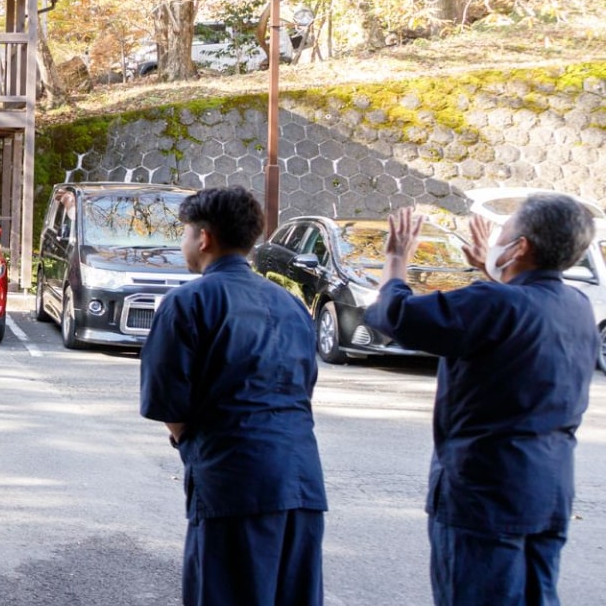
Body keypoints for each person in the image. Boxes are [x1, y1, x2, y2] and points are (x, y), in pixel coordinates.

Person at [367, 201, 596, 606]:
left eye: (503, 234)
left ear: (519, 247)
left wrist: (396, 260)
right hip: (549, 488)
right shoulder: (576, 306)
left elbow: (395, 315)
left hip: (485, 491)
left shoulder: (493, 303)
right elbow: (519, 314)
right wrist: (494, 274)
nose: (496, 241)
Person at [139, 186, 327, 606]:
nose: (184, 242)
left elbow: (168, 403)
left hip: (233, 482)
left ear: (203, 238)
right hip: (302, 481)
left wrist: (189, 443)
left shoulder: (188, 301)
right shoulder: (290, 303)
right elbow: (304, 385)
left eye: (185, 232)